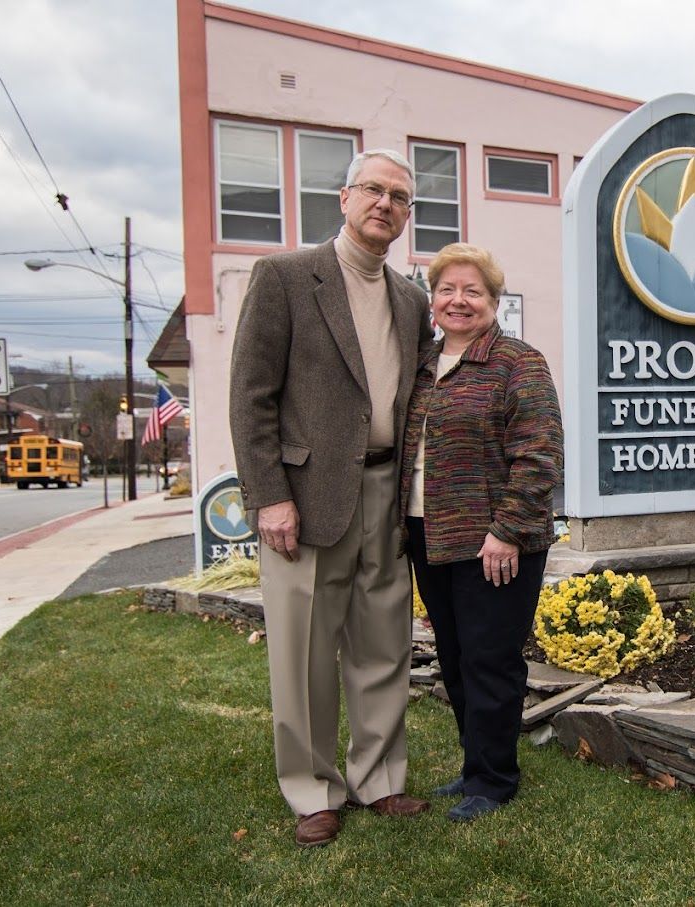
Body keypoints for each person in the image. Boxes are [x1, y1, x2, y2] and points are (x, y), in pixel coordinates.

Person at [229, 148, 434, 847]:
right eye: (374, 190)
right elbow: (250, 397)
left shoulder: (412, 299)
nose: (386, 203)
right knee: (304, 650)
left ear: (407, 217)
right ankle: (313, 788)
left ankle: (379, 778)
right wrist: (269, 496)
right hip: (306, 496)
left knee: (384, 643)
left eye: (400, 197)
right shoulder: (286, 277)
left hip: (385, 491)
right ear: (343, 198)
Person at [401, 243, 563, 822]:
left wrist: (509, 531)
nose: (458, 301)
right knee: (454, 656)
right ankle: (476, 767)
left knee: (491, 659)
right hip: (429, 535)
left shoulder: (519, 362)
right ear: (432, 299)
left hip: (495, 542)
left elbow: (540, 455)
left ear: (494, 302)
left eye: (473, 291)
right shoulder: (422, 365)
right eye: (447, 290)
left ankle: (494, 781)